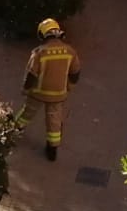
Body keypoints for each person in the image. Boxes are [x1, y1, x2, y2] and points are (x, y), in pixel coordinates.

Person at [24, 19, 83, 163]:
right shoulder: (70, 51)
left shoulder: (39, 53)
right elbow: (75, 73)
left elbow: (31, 75)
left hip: (38, 92)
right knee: (54, 121)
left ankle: (14, 130)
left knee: (27, 112)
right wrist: (69, 85)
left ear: (42, 35)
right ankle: (52, 150)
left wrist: (26, 88)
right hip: (58, 94)